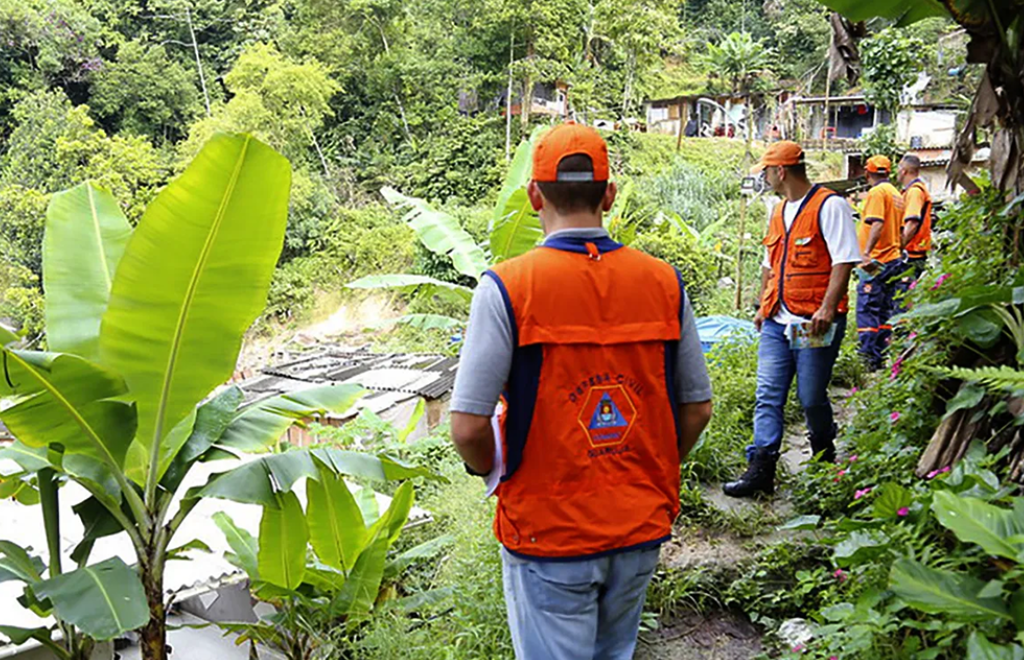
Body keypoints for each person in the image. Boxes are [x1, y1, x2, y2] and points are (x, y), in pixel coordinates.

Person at [449, 122, 714, 660]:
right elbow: (697, 407)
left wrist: (490, 471)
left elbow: (468, 427)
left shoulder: (507, 287)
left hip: (548, 534)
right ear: (609, 195)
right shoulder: (664, 282)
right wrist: (653, 467)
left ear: (534, 196)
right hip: (639, 525)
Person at [723, 141, 859, 498]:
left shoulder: (829, 205)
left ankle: (824, 456)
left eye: (767, 171)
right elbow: (769, 264)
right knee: (767, 394)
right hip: (776, 321)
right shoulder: (778, 210)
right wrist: (761, 305)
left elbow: (844, 260)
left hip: (810, 322)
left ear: (780, 171)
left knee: (810, 396)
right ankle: (761, 469)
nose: (765, 178)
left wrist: (827, 308)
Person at [856, 155, 905, 370]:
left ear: (867, 173)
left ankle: (868, 359)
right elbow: (901, 230)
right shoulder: (896, 194)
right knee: (885, 310)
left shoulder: (877, 192)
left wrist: (866, 253)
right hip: (893, 259)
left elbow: (877, 223)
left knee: (868, 309)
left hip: (877, 261)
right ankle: (881, 356)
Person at [893, 154, 933, 308]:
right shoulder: (909, 191)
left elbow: (912, 223)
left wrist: (899, 248)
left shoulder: (915, 192)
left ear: (904, 171)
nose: (897, 171)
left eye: (898, 168)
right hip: (911, 252)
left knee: (903, 299)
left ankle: (905, 323)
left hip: (911, 254)